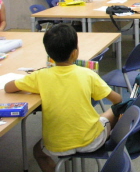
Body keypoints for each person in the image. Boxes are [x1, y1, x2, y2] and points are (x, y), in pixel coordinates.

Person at [4, 24, 122, 172]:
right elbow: (117, 99)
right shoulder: (87, 74)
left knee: (38, 152)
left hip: (55, 145)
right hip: (91, 141)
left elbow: (8, 87)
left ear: (49, 55)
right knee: (111, 111)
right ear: (75, 53)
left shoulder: (40, 76)